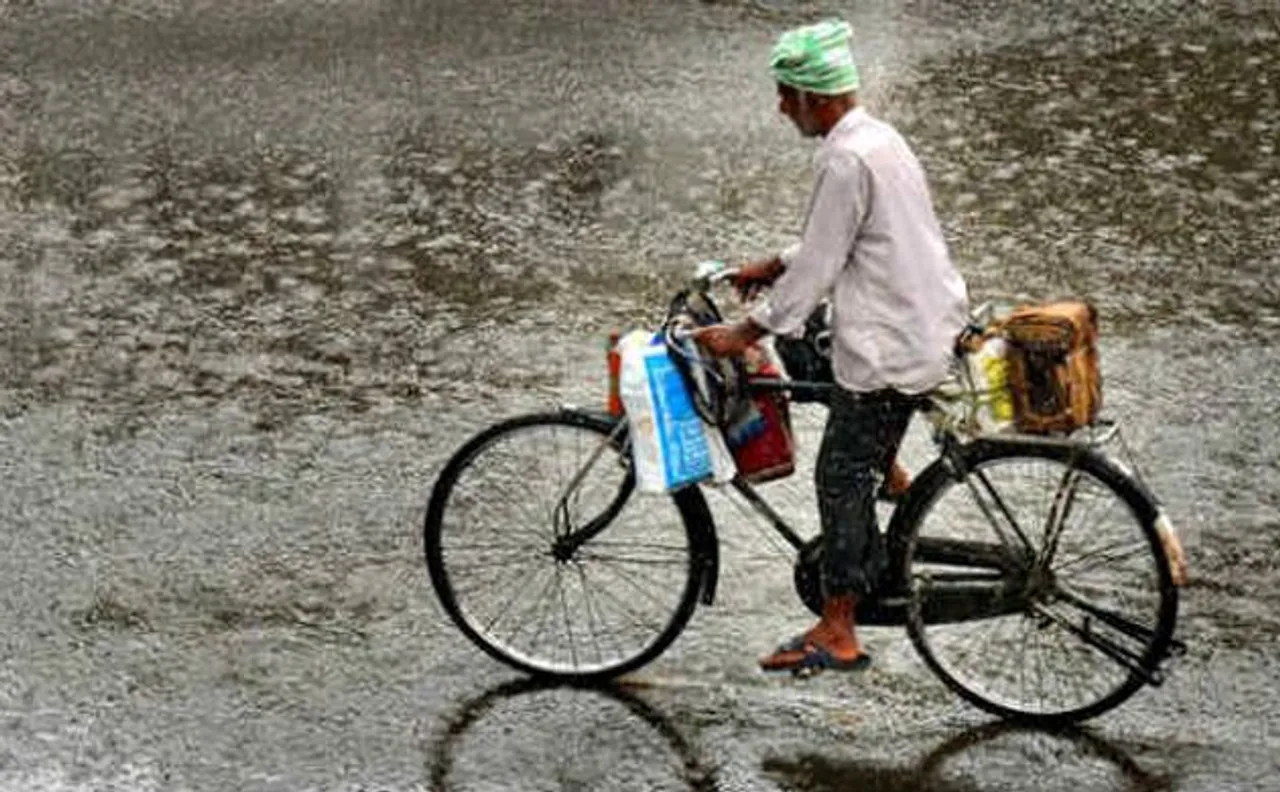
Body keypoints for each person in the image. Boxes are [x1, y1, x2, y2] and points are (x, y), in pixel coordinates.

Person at [693, 19, 969, 674]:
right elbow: (834, 241)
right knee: (810, 353)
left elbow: (818, 269)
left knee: (837, 475)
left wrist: (744, 331)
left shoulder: (844, 158)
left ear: (816, 98)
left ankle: (839, 627)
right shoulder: (878, 139)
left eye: (787, 95)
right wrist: (772, 262)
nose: (782, 108)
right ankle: (890, 467)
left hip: (893, 346)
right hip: (924, 321)